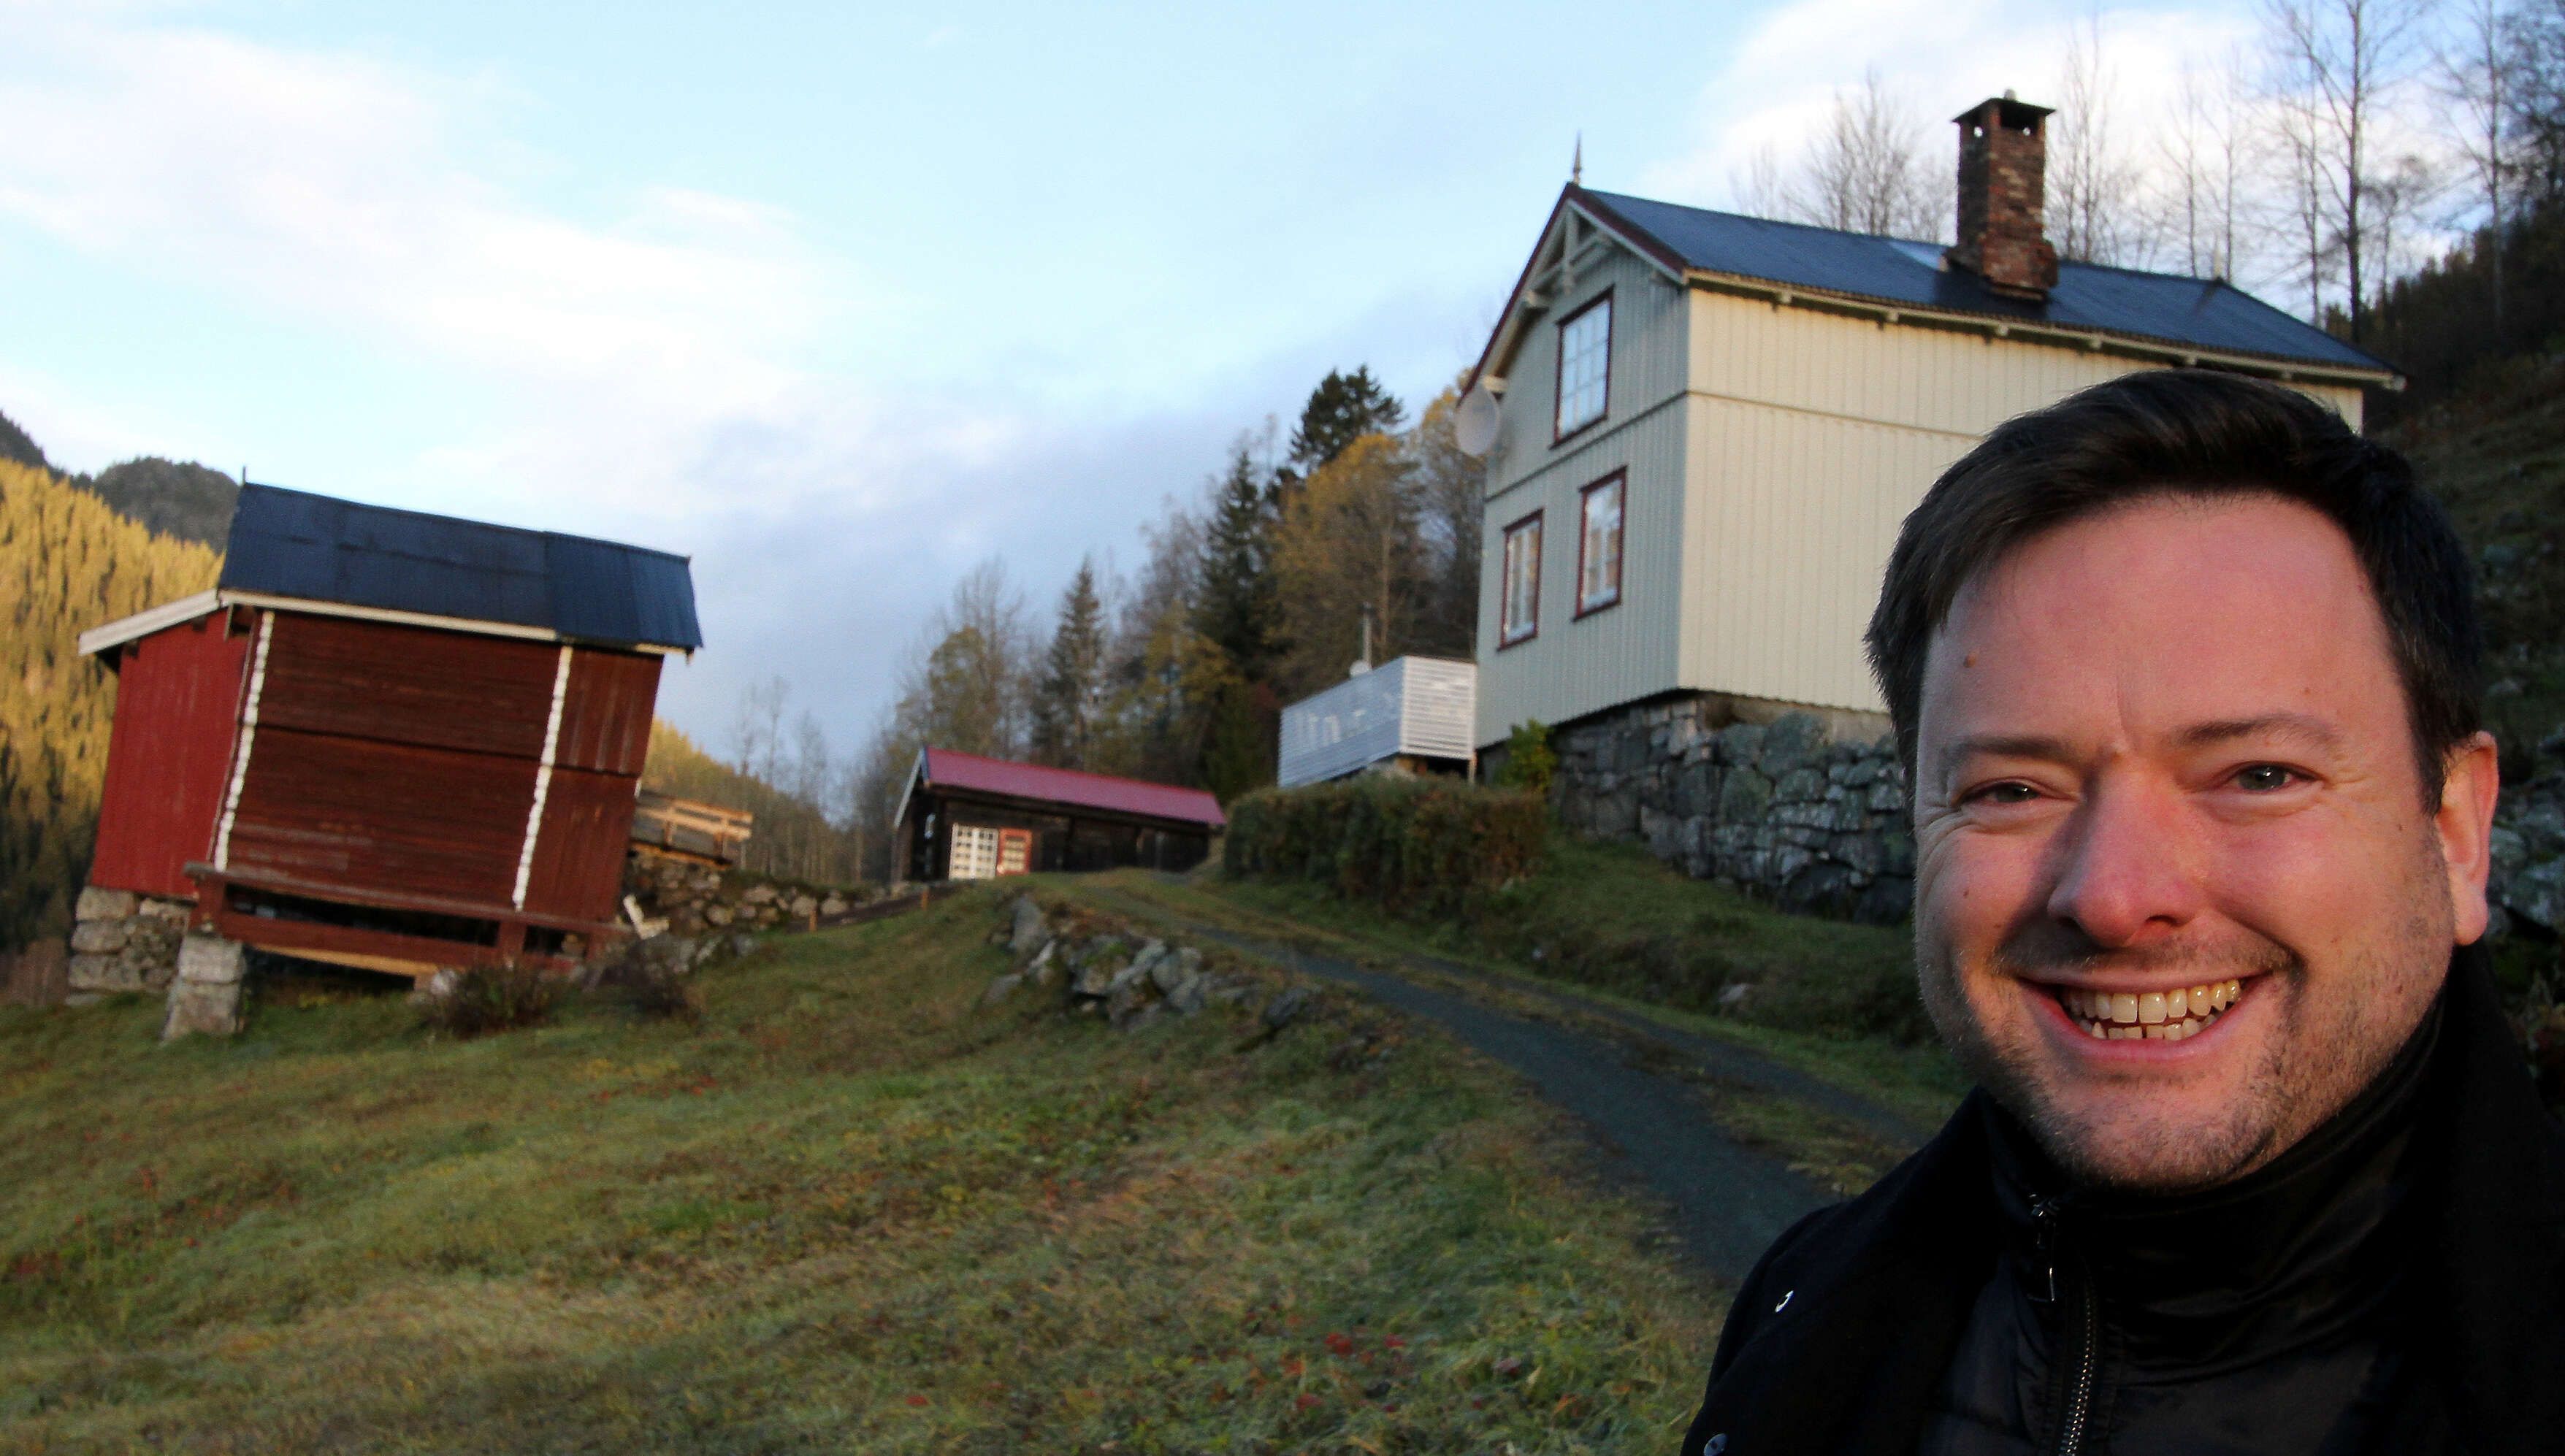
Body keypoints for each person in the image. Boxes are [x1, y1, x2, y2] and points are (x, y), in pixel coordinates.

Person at [1680, 369, 2565, 1456]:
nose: (2112, 896)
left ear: (2457, 831)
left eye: (2259, 775)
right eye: (2012, 789)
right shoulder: (1799, 1313)